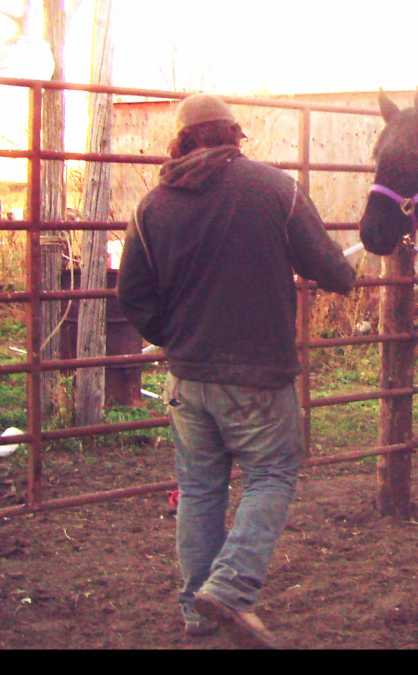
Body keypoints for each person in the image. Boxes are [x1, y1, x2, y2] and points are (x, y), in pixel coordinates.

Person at [116, 93, 355, 648]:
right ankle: (229, 585)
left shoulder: (152, 207)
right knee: (273, 474)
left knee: (201, 489)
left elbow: (133, 296)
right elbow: (325, 265)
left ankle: (198, 612)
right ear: (233, 135)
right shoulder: (275, 189)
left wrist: (175, 340)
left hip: (187, 378)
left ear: (181, 141)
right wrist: (346, 275)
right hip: (258, 377)